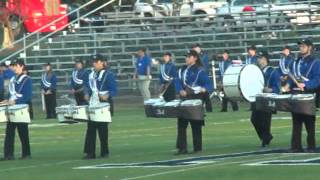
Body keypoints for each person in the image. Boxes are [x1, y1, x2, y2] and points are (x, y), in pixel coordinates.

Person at [284, 38, 320, 153]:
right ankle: (296, 146)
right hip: (295, 94)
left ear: (309, 48)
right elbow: (291, 76)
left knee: (309, 122)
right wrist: (287, 85)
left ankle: (311, 146)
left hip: (308, 94)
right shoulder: (296, 62)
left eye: (303, 46)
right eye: (300, 46)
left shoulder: (316, 62)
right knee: (296, 121)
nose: (301, 48)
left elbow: (317, 79)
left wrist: (306, 84)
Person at [175, 50, 213, 154]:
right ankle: (182, 148)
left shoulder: (200, 71)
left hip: (196, 100)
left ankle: (197, 148)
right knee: (181, 125)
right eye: (186, 57)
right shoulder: (182, 70)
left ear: (195, 58)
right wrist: (180, 90)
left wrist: (204, 89)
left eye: (189, 56)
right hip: (184, 100)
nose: (186, 58)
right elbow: (177, 81)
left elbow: (209, 84)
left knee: (196, 125)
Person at [83, 54, 117, 159]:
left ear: (102, 62)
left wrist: (107, 95)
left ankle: (104, 151)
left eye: (96, 62)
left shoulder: (108, 74)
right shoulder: (91, 74)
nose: (94, 64)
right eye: (93, 62)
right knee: (90, 129)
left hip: (104, 104)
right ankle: (90, 152)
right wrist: (86, 94)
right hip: (93, 103)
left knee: (103, 129)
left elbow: (114, 90)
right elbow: (88, 87)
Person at [0, 59, 32, 161]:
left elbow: (27, 96)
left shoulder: (26, 79)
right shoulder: (13, 79)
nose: (14, 68)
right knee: (9, 132)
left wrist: (15, 102)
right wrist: (7, 100)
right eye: (13, 66)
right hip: (11, 109)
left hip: (21, 109)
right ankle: (8, 155)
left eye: (16, 65)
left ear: (22, 66)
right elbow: (11, 94)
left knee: (23, 132)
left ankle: (26, 154)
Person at [251, 53, 281, 147]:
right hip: (257, 98)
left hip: (268, 99)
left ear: (266, 59)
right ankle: (266, 137)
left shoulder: (272, 71)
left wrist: (270, 89)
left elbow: (277, 88)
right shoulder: (255, 71)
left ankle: (265, 140)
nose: (259, 60)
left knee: (265, 120)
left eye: (261, 58)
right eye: (258, 58)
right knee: (254, 119)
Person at [192, 44, 213, 112]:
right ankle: (203, 108)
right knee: (201, 94)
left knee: (205, 93)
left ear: (199, 48)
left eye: (196, 48)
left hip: (203, 77)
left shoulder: (204, 56)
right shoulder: (194, 57)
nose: (195, 50)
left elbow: (205, 67)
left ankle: (207, 109)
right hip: (197, 77)